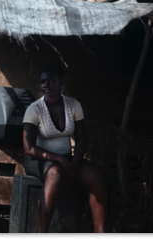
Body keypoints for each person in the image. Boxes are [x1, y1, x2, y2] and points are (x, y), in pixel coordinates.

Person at [22, 64, 108, 233]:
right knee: (54, 174)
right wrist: (59, 159)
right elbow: (28, 148)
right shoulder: (34, 109)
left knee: (96, 176)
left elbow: (82, 140)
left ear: (61, 82)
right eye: (43, 82)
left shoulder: (73, 105)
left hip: (67, 159)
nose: (47, 85)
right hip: (39, 160)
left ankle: (101, 231)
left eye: (51, 81)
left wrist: (74, 165)